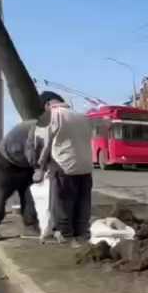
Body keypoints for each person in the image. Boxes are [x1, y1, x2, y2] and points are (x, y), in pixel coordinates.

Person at [36, 91, 94, 243]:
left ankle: (65, 234)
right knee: (82, 203)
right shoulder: (80, 116)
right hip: (86, 167)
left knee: (63, 203)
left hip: (64, 166)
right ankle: (81, 233)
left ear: (47, 104)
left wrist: (39, 167)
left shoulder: (50, 116)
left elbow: (44, 144)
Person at [0, 118, 46, 241]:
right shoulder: (38, 129)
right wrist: (40, 168)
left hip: (26, 163)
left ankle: (31, 225)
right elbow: (31, 151)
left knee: (32, 195)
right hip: (5, 161)